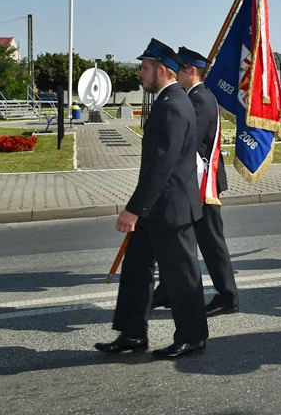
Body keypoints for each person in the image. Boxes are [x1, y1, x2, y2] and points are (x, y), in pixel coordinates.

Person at [95, 39, 208, 359]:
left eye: (144, 67)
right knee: (136, 270)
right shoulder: (168, 100)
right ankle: (132, 334)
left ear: (162, 70)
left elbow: (162, 163)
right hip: (157, 205)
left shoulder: (172, 104)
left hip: (170, 207)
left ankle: (193, 336)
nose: (140, 73)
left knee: (181, 275)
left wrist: (133, 209)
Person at [176, 47, 239, 316]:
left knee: (211, 242)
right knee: (178, 239)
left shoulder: (200, 99)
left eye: (179, 69)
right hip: (193, 182)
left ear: (191, 71)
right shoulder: (194, 96)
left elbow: (189, 140)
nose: (174, 73)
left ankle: (227, 296)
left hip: (204, 183)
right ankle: (168, 290)